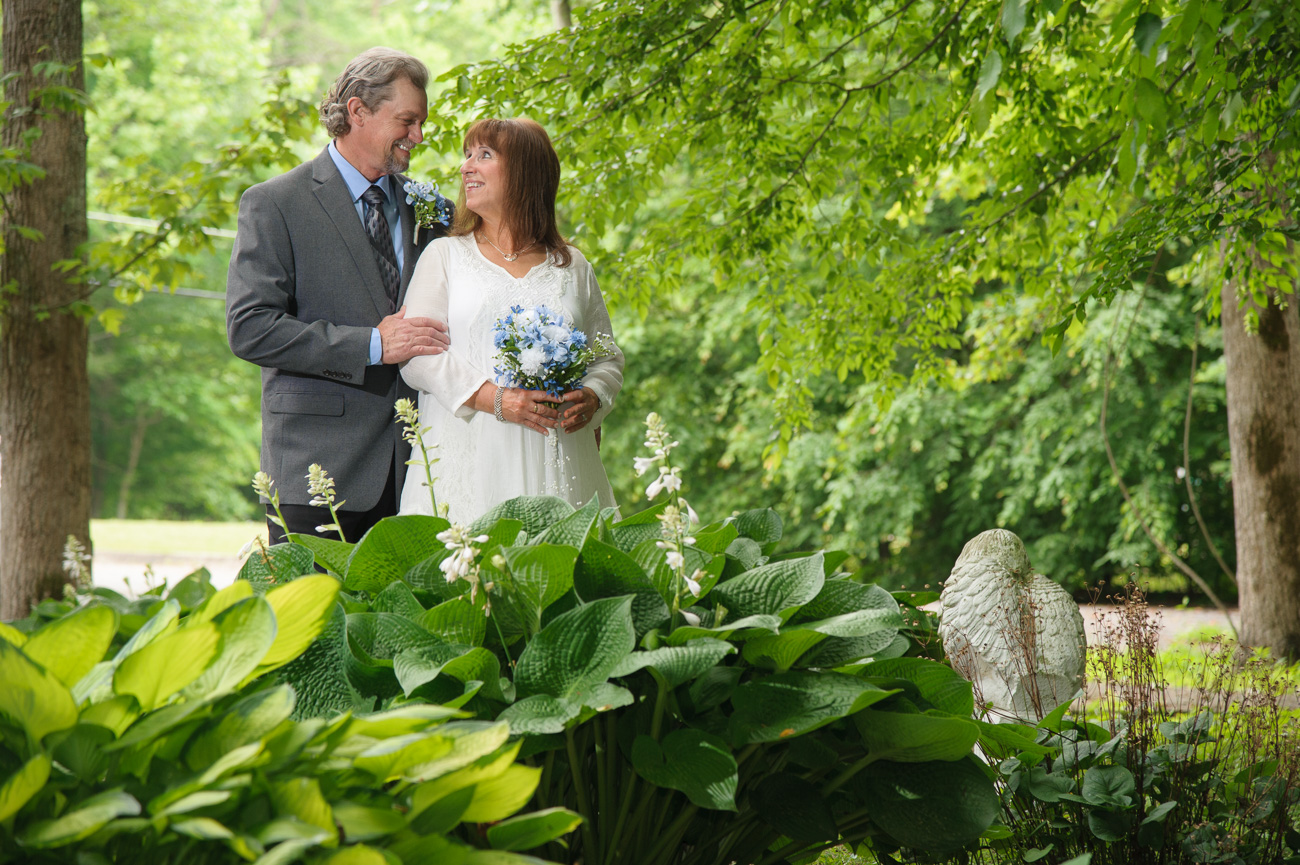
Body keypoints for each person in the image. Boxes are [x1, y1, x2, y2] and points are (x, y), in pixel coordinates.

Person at [226, 47, 453, 544]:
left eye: (421, 123)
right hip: (317, 473)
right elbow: (250, 328)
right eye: (408, 121)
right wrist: (371, 345)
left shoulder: (436, 213)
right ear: (358, 111)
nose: (419, 136)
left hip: (424, 472)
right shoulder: (274, 204)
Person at [397, 118, 623, 520]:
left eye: (484, 155)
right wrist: (498, 400)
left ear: (527, 172)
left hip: (562, 459)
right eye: (467, 155)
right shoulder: (444, 257)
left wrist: (592, 397)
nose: (467, 166)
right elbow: (417, 356)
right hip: (473, 453)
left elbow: (606, 357)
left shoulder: (572, 267)